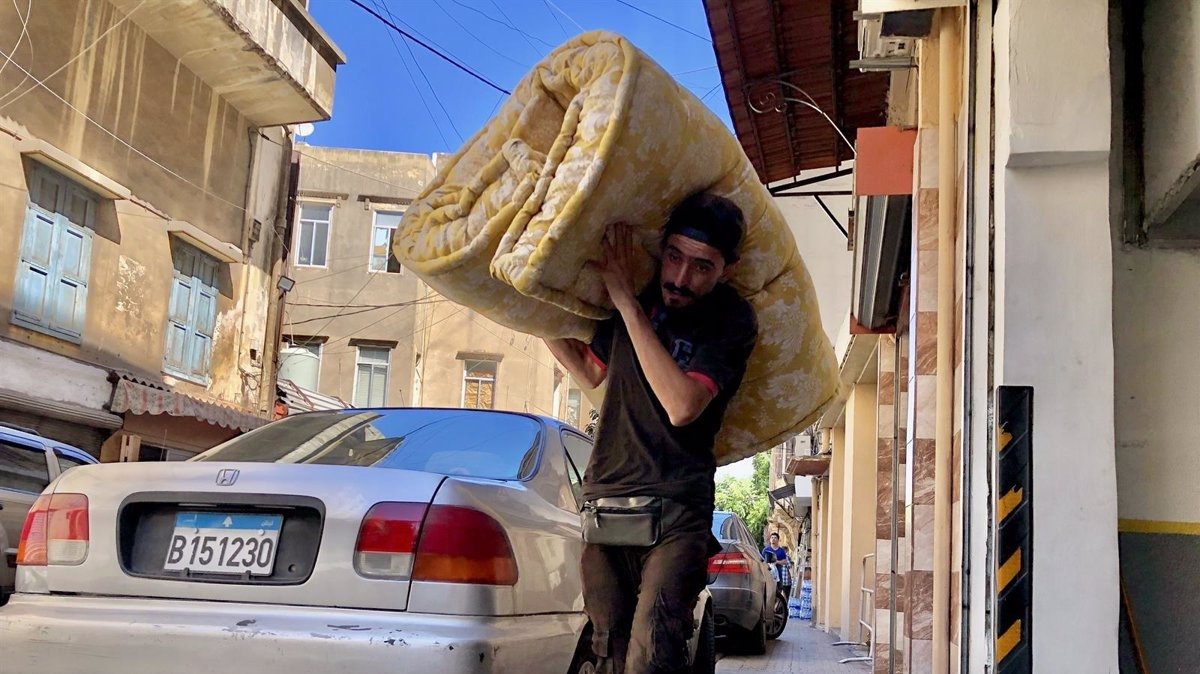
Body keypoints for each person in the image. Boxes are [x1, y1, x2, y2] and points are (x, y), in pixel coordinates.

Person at [545, 192, 758, 674]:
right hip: (606, 500)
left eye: (701, 266)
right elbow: (590, 371)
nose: (680, 278)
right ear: (661, 249)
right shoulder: (638, 295)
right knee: (608, 654)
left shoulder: (729, 318)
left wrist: (625, 303)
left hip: (676, 509)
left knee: (652, 657)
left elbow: (682, 405)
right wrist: (527, 303)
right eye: (675, 257)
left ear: (727, 268)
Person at [762, 532, 792, 598]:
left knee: (778, 591)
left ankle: (776, 606)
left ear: (778, 540)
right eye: (772, 538)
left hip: (779, 574)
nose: (773, 539)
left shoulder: (781, 551)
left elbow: (784, 561)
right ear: (770, 540)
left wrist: (777, 562)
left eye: (775, 538)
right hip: (768, 574)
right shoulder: (766, 550)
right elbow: (762, 561)